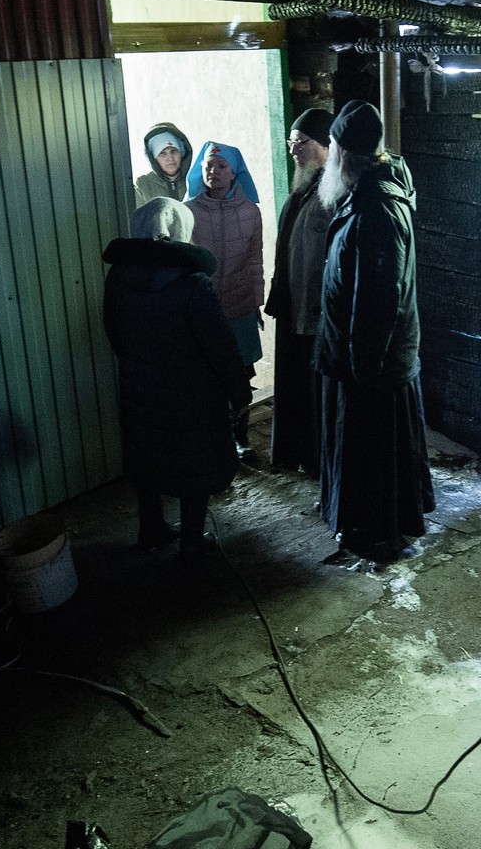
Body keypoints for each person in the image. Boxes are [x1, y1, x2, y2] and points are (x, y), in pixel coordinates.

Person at [313, 100, 435, 565]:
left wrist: (362, 366)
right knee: (368, 451)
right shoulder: (364, 196)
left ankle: (380, 536)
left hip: (371, 364)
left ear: (343, 154)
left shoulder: (377, 209)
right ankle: (364, 528)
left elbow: (380, 300)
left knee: (377, 454)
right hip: (360, 358)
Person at [102, 198, 251, 561]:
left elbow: (113, 329)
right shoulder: (192, 284)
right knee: (194, 462)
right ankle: (191, 544)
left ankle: (151, 529)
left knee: (147, 455)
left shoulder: (120, 276)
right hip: (192, 395)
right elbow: (219, 345)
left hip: (140, 388)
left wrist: (140, 366)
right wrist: (239, 391)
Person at [264, 108, 337, 473]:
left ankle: (317, 457)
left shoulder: (335, 190)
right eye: (290, 142)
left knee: (315, 388)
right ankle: (298, 453)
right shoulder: (302, 188)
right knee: (295, 383)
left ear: (325, 145)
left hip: (317, 308)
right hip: (294, 302)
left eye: (301, 142)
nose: (293, 150)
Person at [185, 141, 265, 459]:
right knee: (207, 378)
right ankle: (216, 439)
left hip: (239, 307)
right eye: (208, 166)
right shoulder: (188, 211)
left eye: (221, 166)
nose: (213, 171)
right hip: (202, 309)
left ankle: (241, 438)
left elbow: (255, 260)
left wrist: (256, 301)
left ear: (234, 173)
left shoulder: (250, 212)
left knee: (241, 377)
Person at [133, 123, 193, 207]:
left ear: (182, 154)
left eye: (173, 151)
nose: (170, 158)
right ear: (154, 159)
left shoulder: (194, 180)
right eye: (162, 153)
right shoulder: (143, 185)